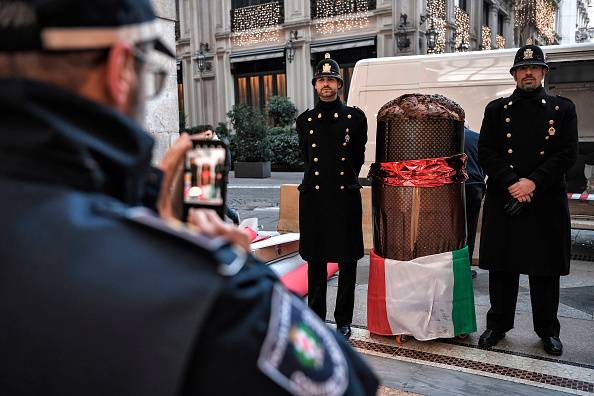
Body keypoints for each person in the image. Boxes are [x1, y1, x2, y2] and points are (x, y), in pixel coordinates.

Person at [0, 2, 380, 395]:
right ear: (120, 70)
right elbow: (345, 385)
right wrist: (226, 268)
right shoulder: (204, 293)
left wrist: (143, 196)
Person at [477, 45, 578, 356]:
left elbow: (566, 154)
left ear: (544, 73)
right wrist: (513, 183)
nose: (529, 73)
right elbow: (486, 152)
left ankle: (548, 330)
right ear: (515, 74)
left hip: (544, 202)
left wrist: (532, 182)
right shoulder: (496, 110)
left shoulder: (563, 109)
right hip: (506, 199)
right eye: (523, 69)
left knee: (544, 271)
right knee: (502, 270)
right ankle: (497, 325)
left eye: (534, 68)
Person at [296, 53, 368, 339]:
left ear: (340, 84)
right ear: (315, 85)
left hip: (344, 199)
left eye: (331, 80)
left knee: (347, 262)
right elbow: (306, 158)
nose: (326, 84)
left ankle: (343, 321)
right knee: (316, 262)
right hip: (314, 200)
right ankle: (315, 319)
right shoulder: (305, 120)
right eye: (321, 80)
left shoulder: (355, 118)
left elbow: (358, 156)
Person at [464, 123, 486, 278]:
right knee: (470, 229)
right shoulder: (477, 138)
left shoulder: (449, 138)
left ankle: (450, 266)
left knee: (452, 229)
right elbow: (486, 163)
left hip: (452, 187)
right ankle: (466, 268)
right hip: (475, 186)